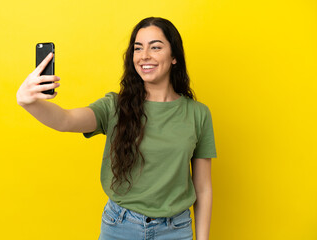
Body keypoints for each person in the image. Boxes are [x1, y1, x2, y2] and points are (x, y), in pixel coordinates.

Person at [17, 17, 216, 240]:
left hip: (175, 230)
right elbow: (66, 120)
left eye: (156, 47)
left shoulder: (198, 114)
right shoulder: (115, 106)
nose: (144, 56)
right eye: (138, 48)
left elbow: (203, 188)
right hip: (120, 227)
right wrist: (29, 102)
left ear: (174, 57)